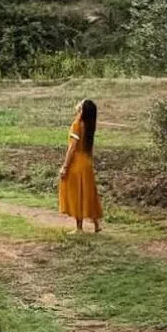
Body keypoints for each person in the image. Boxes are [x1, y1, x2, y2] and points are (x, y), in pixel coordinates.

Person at [58, 98, 103, 232]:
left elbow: (72, 148)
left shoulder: (77, 124)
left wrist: (65, 166)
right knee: (89, 193)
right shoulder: (89, 126)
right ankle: (96, 224)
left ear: (82, 110)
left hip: (76, 163)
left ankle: (79, 228)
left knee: (77, 193)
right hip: (86, 162)